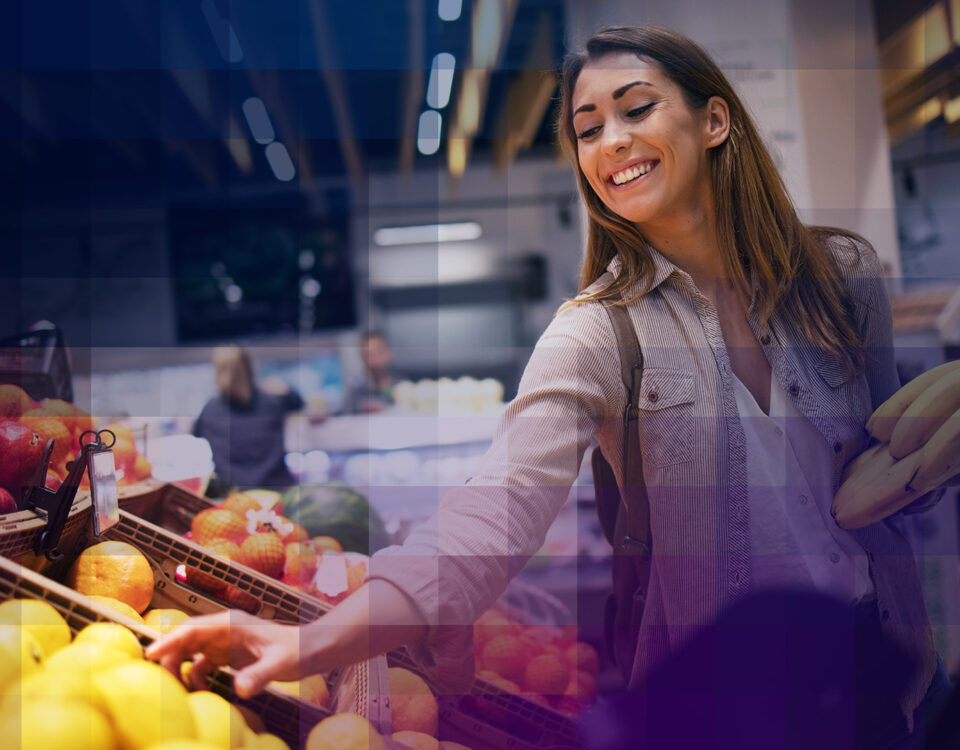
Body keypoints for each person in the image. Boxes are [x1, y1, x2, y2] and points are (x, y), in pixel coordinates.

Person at [150, 27, 953, 747]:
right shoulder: (598, 331)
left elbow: (890, 465)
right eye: (588, 128)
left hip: (877, 668)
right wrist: (313, 639)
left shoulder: (842, 278)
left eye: (636, 109)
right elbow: (487, 514)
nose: (612, 141)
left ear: (715, 122)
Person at [192, 345, 304, 491]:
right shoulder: (273, 400)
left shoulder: (210, 409)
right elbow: (298, 402)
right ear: (249, 368)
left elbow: (196, 432)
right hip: (278, 491)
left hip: (234, 496)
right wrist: (282, 387)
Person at [348, 330, 404, 413]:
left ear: (388, 353)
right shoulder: (357, 387)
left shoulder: (402, 384)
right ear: (361, 357)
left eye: (377, 353)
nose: (373, 359)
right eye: (367, 354)